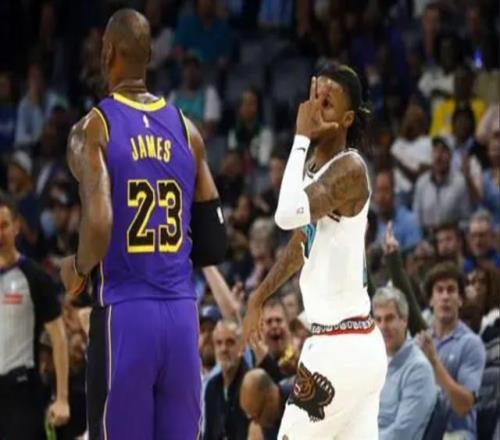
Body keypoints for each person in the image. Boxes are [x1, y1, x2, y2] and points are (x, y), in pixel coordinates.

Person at [59, 9, 227, 440]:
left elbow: (99, 223)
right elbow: (214, 241)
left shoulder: (94, 128)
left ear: (107, 53)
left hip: (126, 314)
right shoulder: (188, 131)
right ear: (151, 55)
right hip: (182, 315)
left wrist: (77, 269)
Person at [243, 64, 387, 439]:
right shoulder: (312, 170)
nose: (315, 108)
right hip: (351, 345)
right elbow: (301, 241)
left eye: (328, 102)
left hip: (340, 349)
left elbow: (285, 215)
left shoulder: (350, 168)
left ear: (346, 119)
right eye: (314, 97)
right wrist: (259, 296)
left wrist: (300, 138)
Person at [0, 193, 69, 438]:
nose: (0, 234)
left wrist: (62, 399)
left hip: (21, 391)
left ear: (17, 226)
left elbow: (59, 338)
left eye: (4, 225)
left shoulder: (34, 276)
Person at [417, 262, 486, 439]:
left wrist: (434, 362)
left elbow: (463, 406)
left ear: (460, 299)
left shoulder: (471, 343)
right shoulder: (419, 342)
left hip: (456, 433)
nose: (445, 296)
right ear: (431, 300)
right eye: (439, 290)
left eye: (451, 290)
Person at [373, 286, 436, 440]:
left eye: (389, 318)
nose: (383, 326)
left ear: (404, 320)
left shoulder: (418, 369)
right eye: (378, 319)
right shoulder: (373, 361)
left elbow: (401, 434)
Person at [203, 320, 249, 440]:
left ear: (242, 347)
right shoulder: (211, 387)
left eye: (230, 342)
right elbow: (208, 434)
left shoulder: (250, 383)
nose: (223, 349)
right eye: (219, 343)